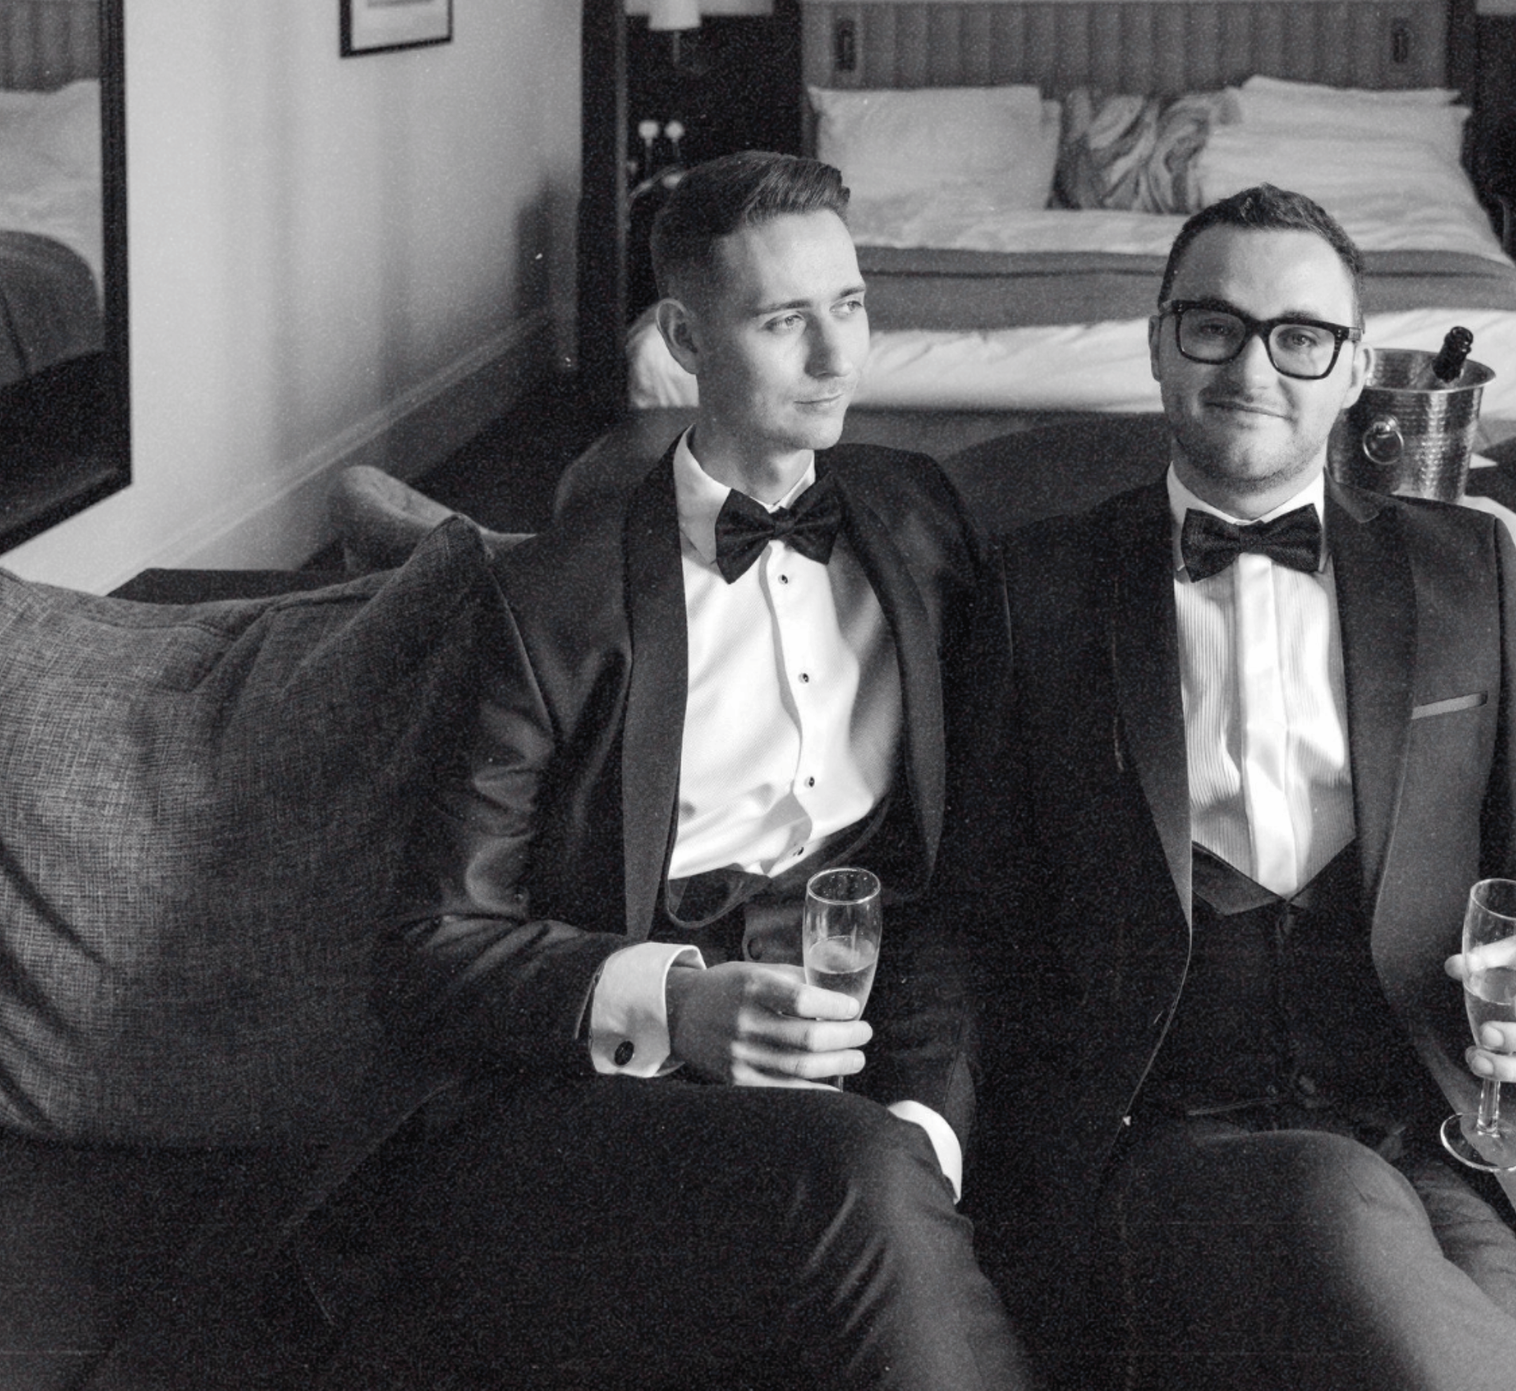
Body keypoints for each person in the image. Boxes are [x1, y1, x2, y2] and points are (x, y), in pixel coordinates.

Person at [949, 184, 1516, 1391]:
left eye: (1299, 335)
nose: (1251, 366)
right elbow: (974, 919)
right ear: (1161, 342)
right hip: (1166, 1137)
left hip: (1440, 1127)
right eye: (1212, 325)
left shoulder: (1465, 568)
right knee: (1324, 1207)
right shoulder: (1035, 585)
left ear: (1351, 369)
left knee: (1453, 1300)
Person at [368, 150, 1029, 1390]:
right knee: (854, 1176)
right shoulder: (546, 600)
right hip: (625, 1099)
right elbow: (428, 942)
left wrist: (930, 1109)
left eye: (853, 306)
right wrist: (672, 999)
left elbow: (959, 878)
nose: (841, 360)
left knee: (872, 1171)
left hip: (874, 1053)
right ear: (683, 336)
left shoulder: (921, 518)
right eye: (787, 322)